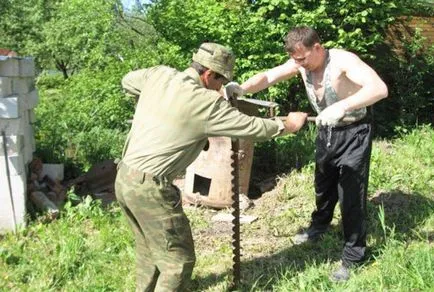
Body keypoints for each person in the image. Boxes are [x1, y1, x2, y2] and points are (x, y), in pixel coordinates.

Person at [115, 42, 308, 291]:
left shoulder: (159, 75)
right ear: (208, 74)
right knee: (178, 262)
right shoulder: (205, 103)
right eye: (221, 81)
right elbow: (252, 127)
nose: (220, 88)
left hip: (124, 178)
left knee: (150, 251)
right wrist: (289, 125)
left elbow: (127, 81)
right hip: (151, 188)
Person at [225, 26, 388, 281]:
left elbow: (379, 88)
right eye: (295, 59)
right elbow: (269, 76)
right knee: (323, 183)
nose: (298, 63)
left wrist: (343, 106)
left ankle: (354, 254)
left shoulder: (343, 61)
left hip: (354, 131)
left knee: (351, 194)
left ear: (317, 48)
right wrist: (243, 88)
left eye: (302, 58)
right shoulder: (301, 63)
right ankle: (319, 226)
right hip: (326, 130)